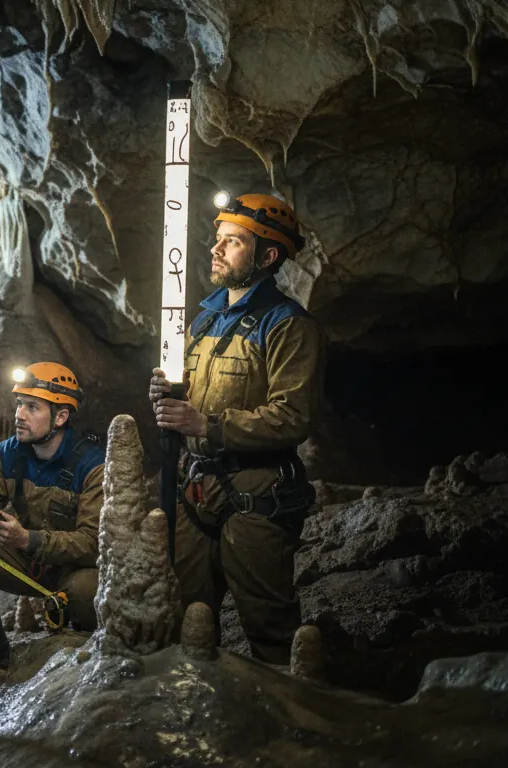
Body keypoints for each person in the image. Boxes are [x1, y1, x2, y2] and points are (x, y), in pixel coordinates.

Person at [151, 192, 326, 665]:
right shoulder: (204, 319)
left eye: (233, 241)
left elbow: (293, 416)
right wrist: (166, 394)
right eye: (219, 238)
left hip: (255, 491)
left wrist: (205, 424)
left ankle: (286, 702)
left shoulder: (288, 326)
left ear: (267, 257)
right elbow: (185, 396)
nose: (216, 248)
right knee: (184, 619)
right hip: (196, 490)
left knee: (268, 626)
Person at [0, 362, 104, 687]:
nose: (19, 415)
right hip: (30, 562)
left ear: (60, 417)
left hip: (76, 568)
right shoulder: (8, 453)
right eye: (19, 404)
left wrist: (28, 540)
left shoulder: (92, 465)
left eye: (32, 407)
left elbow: (93, 543)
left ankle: (87, 656)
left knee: (85, 591)